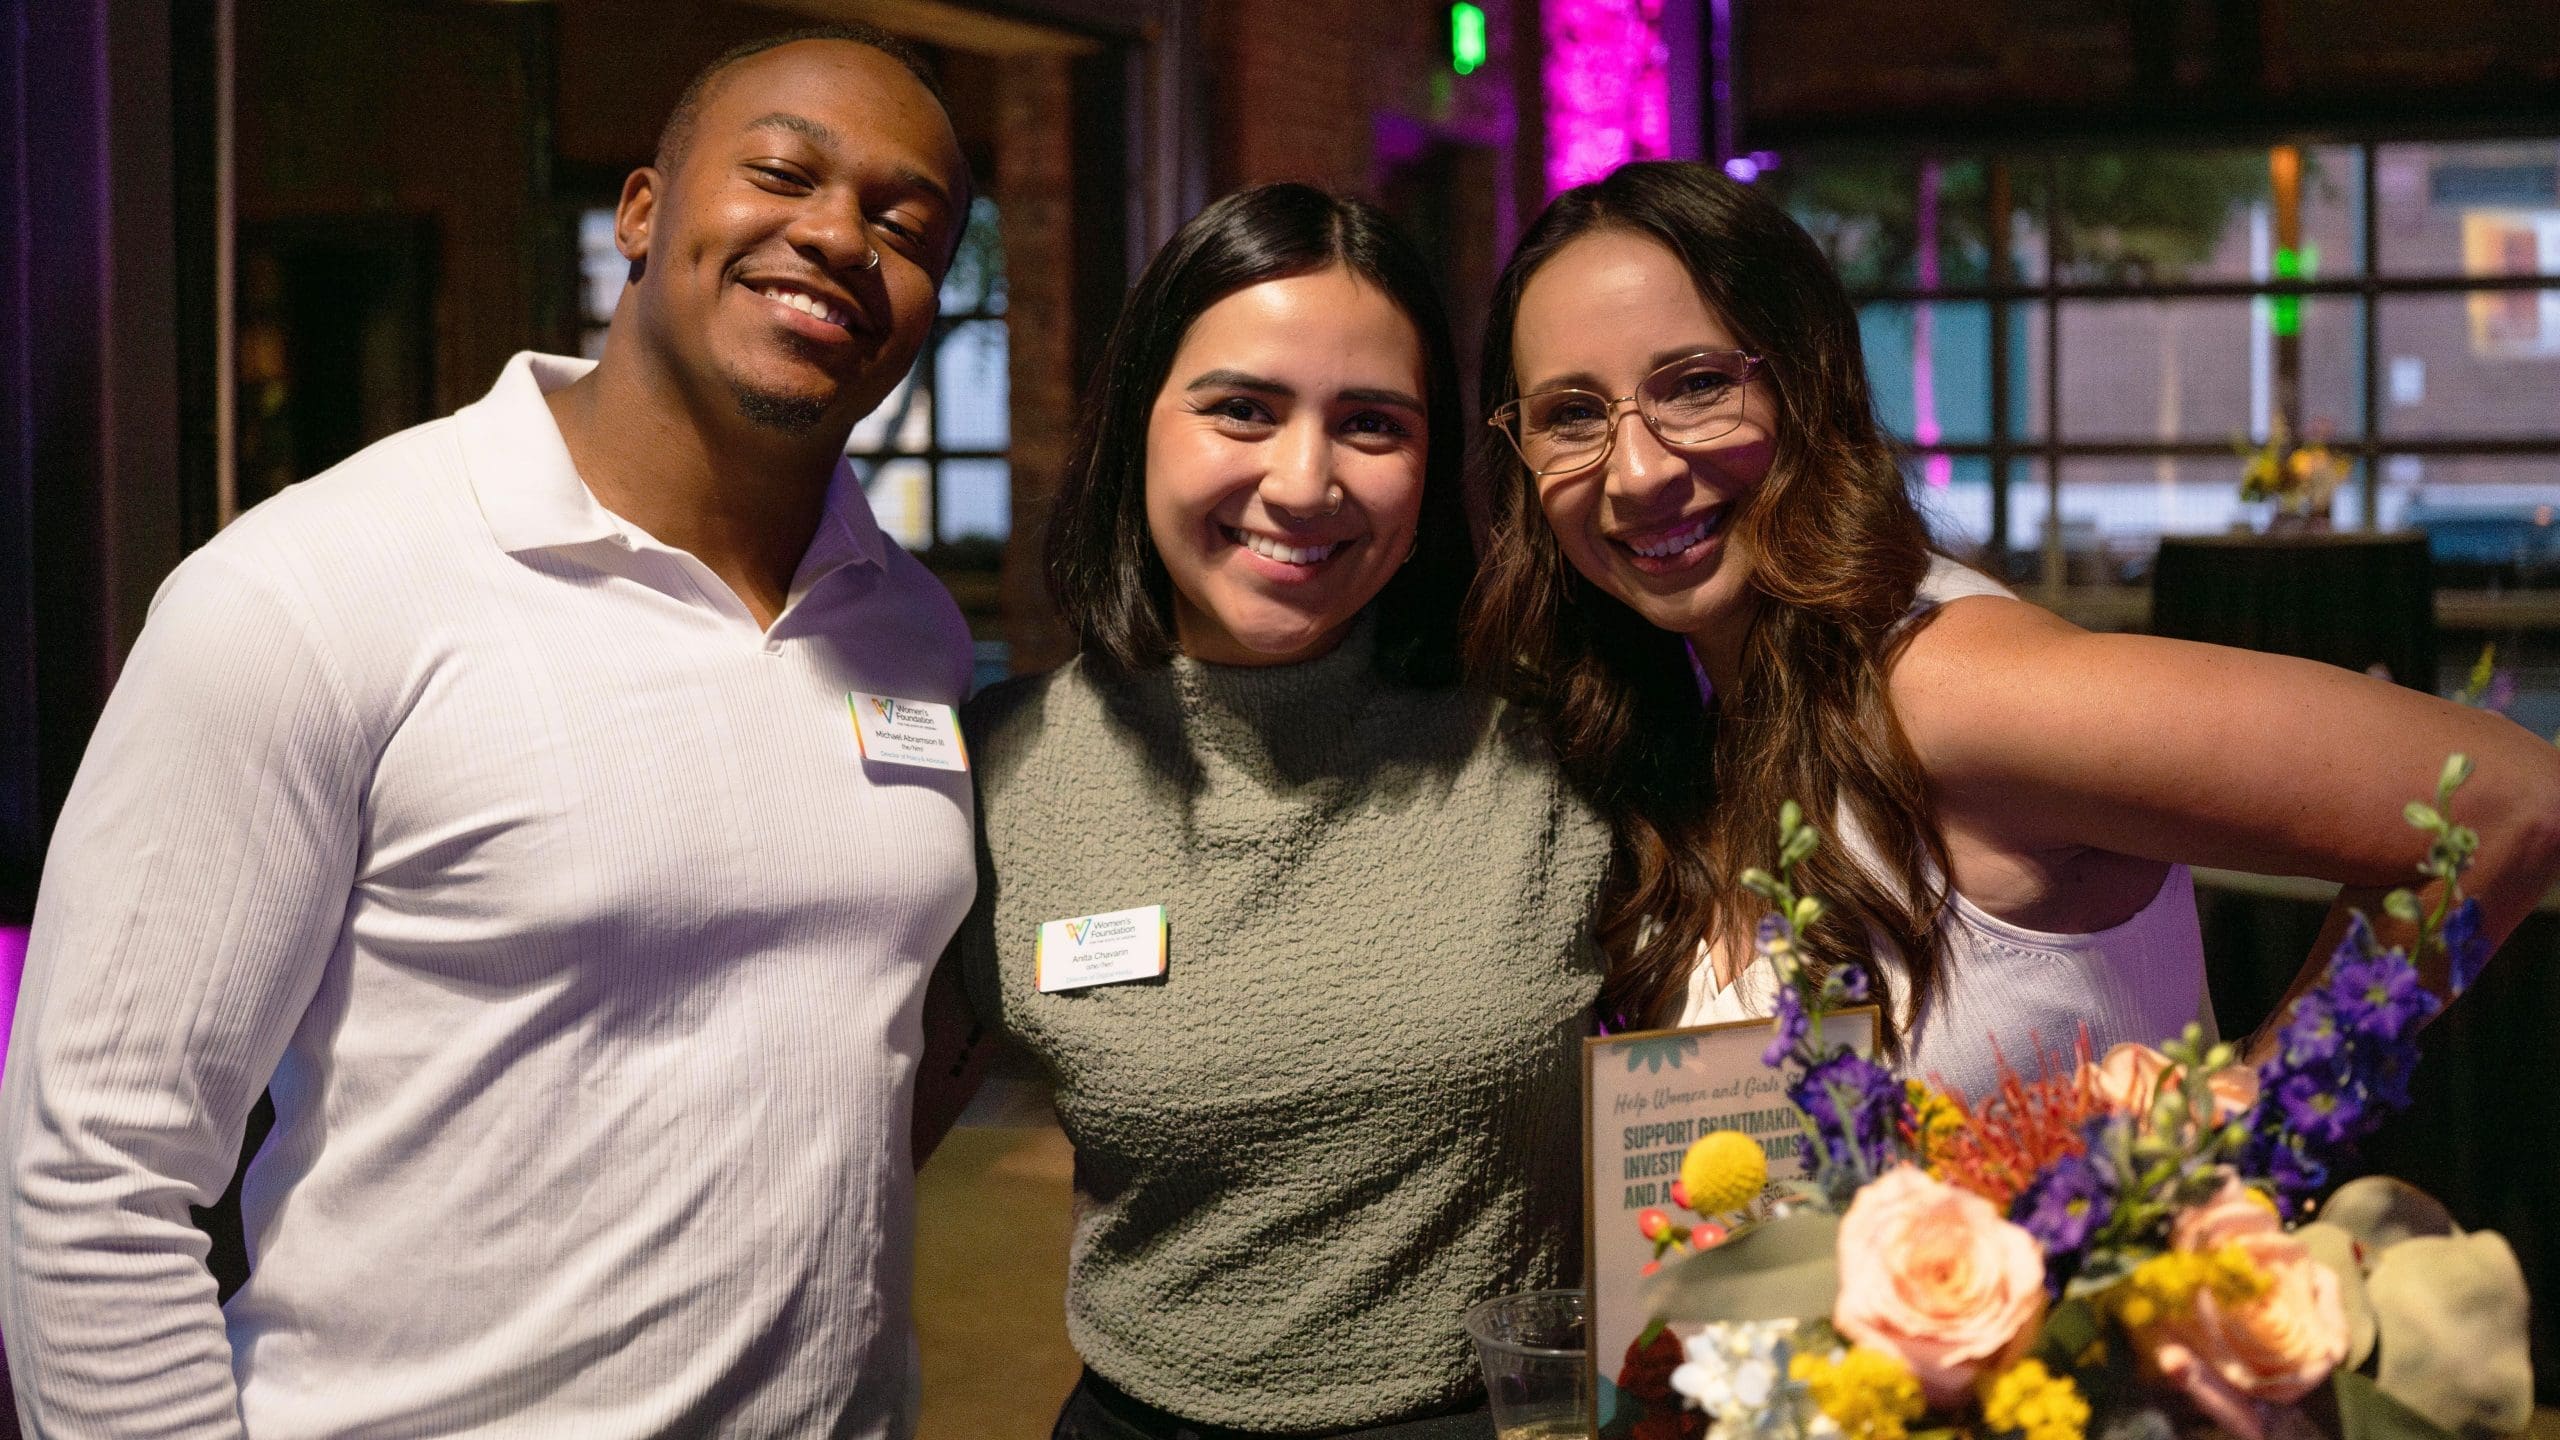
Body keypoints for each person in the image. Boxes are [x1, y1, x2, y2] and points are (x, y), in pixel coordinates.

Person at [1, 27, 977, 1437]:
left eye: (906, 226)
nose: (837, 236)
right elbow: (96, 1172)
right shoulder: (310, 592)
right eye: (782, 173)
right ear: (640, 212)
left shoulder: (907, 627)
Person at [1467, 161, 2560, 1099]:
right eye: (1571, 414)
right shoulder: (1688, 715)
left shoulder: (1942, 686)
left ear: (1807, 385)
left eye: (1697, 385)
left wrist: (2252, 1128)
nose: (1637, 470)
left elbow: (2504, 805)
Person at [916, 184, 1609, 1440]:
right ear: (1137, 424)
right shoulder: (1003, 769)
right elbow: (844, 1158)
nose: (1303, 482)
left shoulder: (1560, 740)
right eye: (1241, 409)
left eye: (1371, 424)